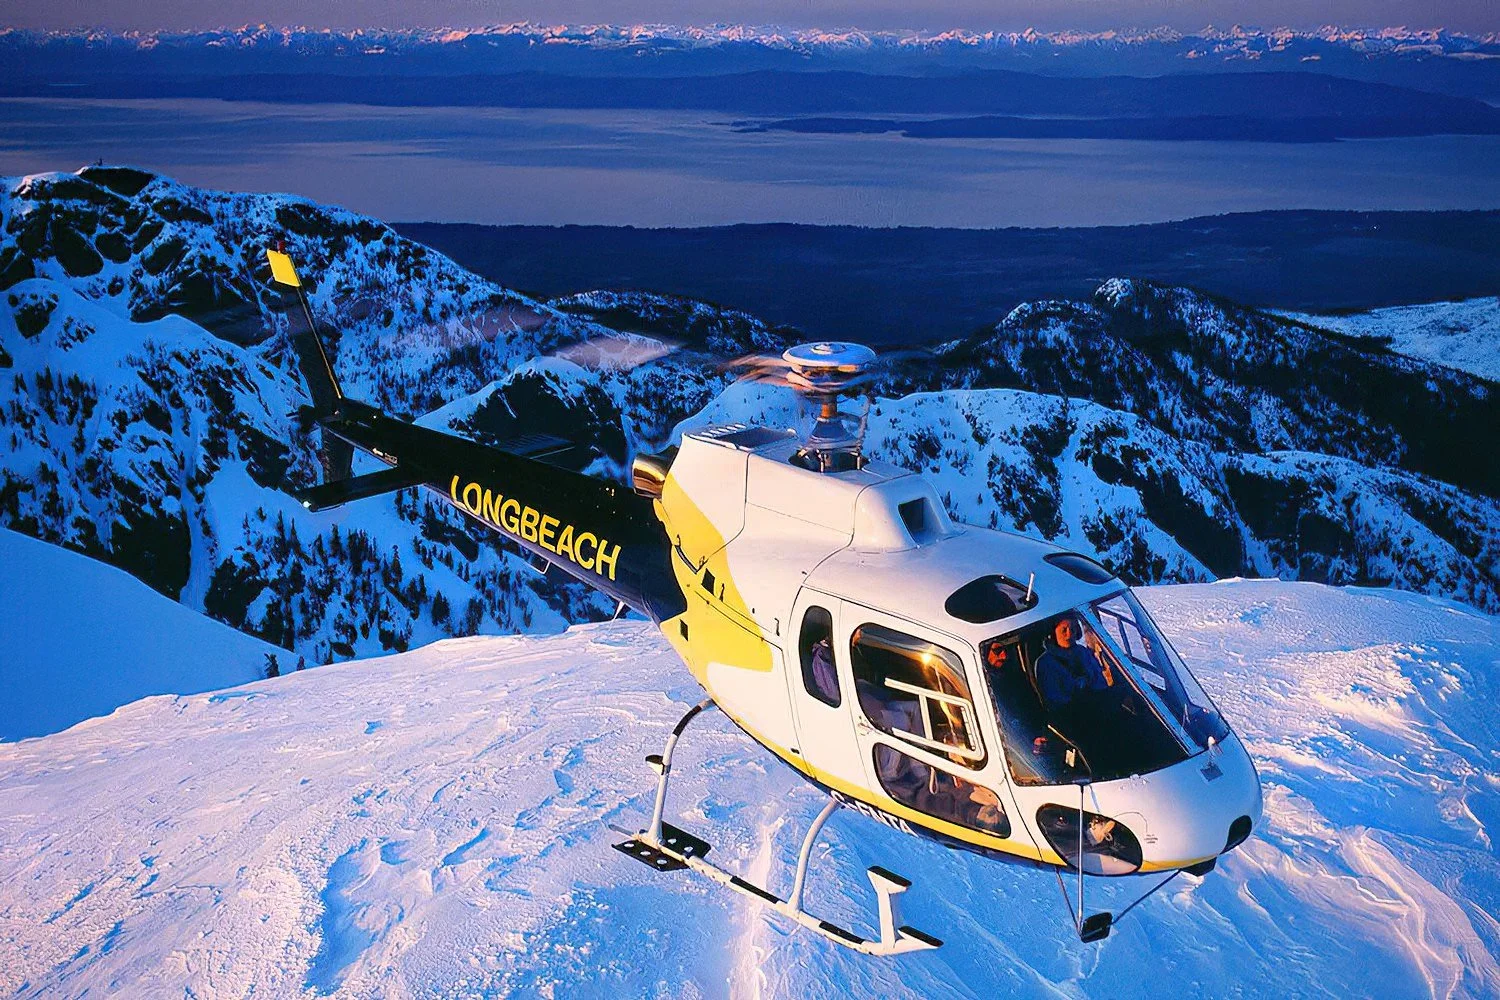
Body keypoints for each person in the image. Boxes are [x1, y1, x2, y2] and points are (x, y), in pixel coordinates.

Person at [1034, 615, 1115, 717]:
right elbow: (1055, 700)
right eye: (1064, 630)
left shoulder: (1083, 653)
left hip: (1099, 707)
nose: (1069, 634)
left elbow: (1099, 681)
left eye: (1073, 629)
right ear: (1053, 633)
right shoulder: (1045, 663)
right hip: (1072, 717)